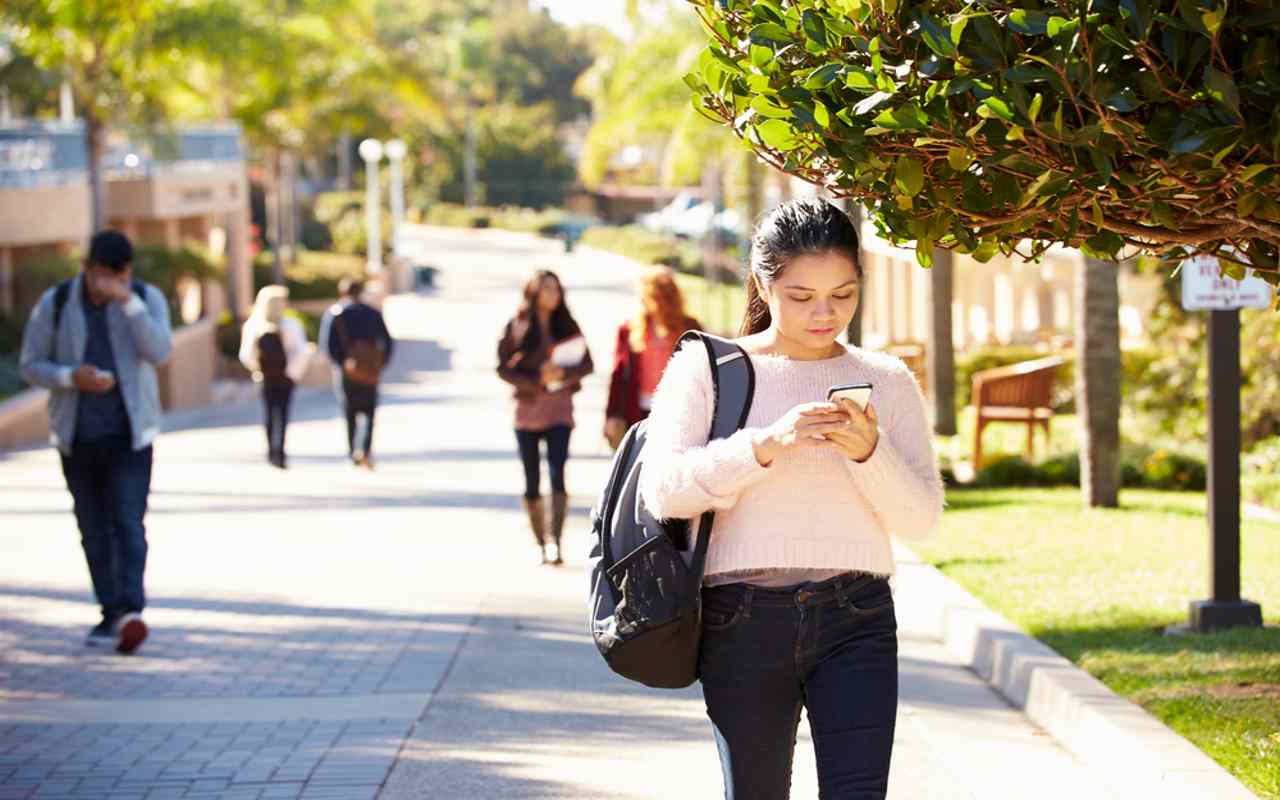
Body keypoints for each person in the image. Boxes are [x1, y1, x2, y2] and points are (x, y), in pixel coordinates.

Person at [639, 199, 944, 799]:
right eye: (802, 296)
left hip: (858, 616)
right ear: (762, 284)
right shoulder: (708, 367)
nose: (825, 314)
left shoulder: (887, 379)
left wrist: (868, 453)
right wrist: (766, 445)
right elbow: (665, 490)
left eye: (844, 293)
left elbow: (921, 519)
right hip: (741, 618)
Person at [18, 230, 173, 654]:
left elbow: (160, 352)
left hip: (131, 436)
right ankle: (111, 612)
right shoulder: (57, 304)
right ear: (87, 269)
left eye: (117, 276)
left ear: (127, 272)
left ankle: (131, 610)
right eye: (101, 275)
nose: (107, 284)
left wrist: (130, 304)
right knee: (93, 529)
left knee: (128, 522)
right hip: (77, 436)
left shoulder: (144, 298)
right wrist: (71, 377)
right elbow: (31, 364)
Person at [497, 269, 594, 566]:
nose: (553, 294)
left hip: (559, 411)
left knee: (557, 473)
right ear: (534, 292)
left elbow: (588, 363)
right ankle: (540, 540)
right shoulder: (518, 325)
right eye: (546, 288)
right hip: (526, 412)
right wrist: (537, 378)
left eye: (557, 289)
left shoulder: (567, 325)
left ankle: (556, 542)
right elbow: (503, 368)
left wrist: (563, 373)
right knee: (531, 479)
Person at [603, 265, 701, 449]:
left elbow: (704, 371)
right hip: (637, 410)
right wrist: (611, 415)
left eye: (662, 295)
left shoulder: (690, 327)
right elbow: (618, 374)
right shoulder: (629, 330)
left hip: (678, 409)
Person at [239, 285, 310, 469]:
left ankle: (272, 451)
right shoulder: (291, 325)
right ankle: (280, 451)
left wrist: (259, 370)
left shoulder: (253, 325)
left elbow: (246, 355)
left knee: (270, 414)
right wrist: (291, 373)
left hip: (266, 378)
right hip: (285, 378)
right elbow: (302, 351)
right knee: (282, 414)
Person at [327, 279, 393, 469]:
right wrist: (380, 363)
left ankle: (352, 452)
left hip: (347, 371)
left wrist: (342, 363)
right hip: (371, 369)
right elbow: (387, 341)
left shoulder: (338, 314)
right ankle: (365, 449)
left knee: (350, 412)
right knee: (370, 411)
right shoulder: (372, 313)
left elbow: (330, 346)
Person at [317, 277, 355, 406]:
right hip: (366, 363)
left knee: (346, 402)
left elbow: (326, 339)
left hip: (342, 363)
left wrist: (332, 359)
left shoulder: (334, 312)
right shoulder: (370, 312)